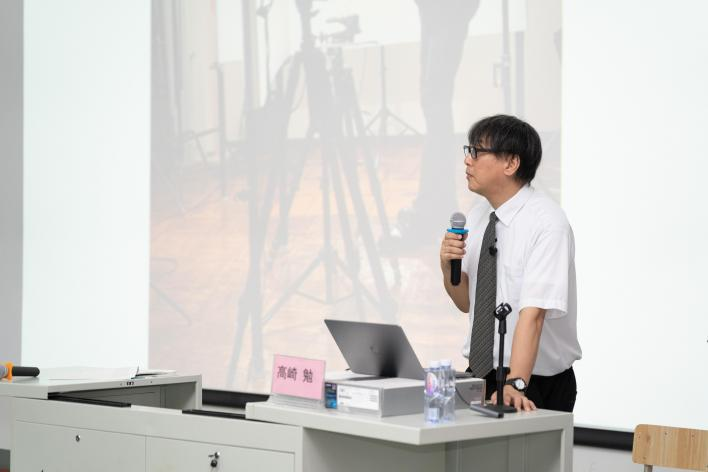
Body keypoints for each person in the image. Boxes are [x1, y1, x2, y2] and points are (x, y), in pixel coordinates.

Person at [439, 115, 581, 412]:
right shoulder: (479, 215)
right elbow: (466, 303)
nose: (467, 160)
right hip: (481, 376)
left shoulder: (547, 223)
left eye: (476, 151)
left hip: (533, 382)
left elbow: (534, 315)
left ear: (511, 163)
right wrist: (447, 266)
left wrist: (516, 383)